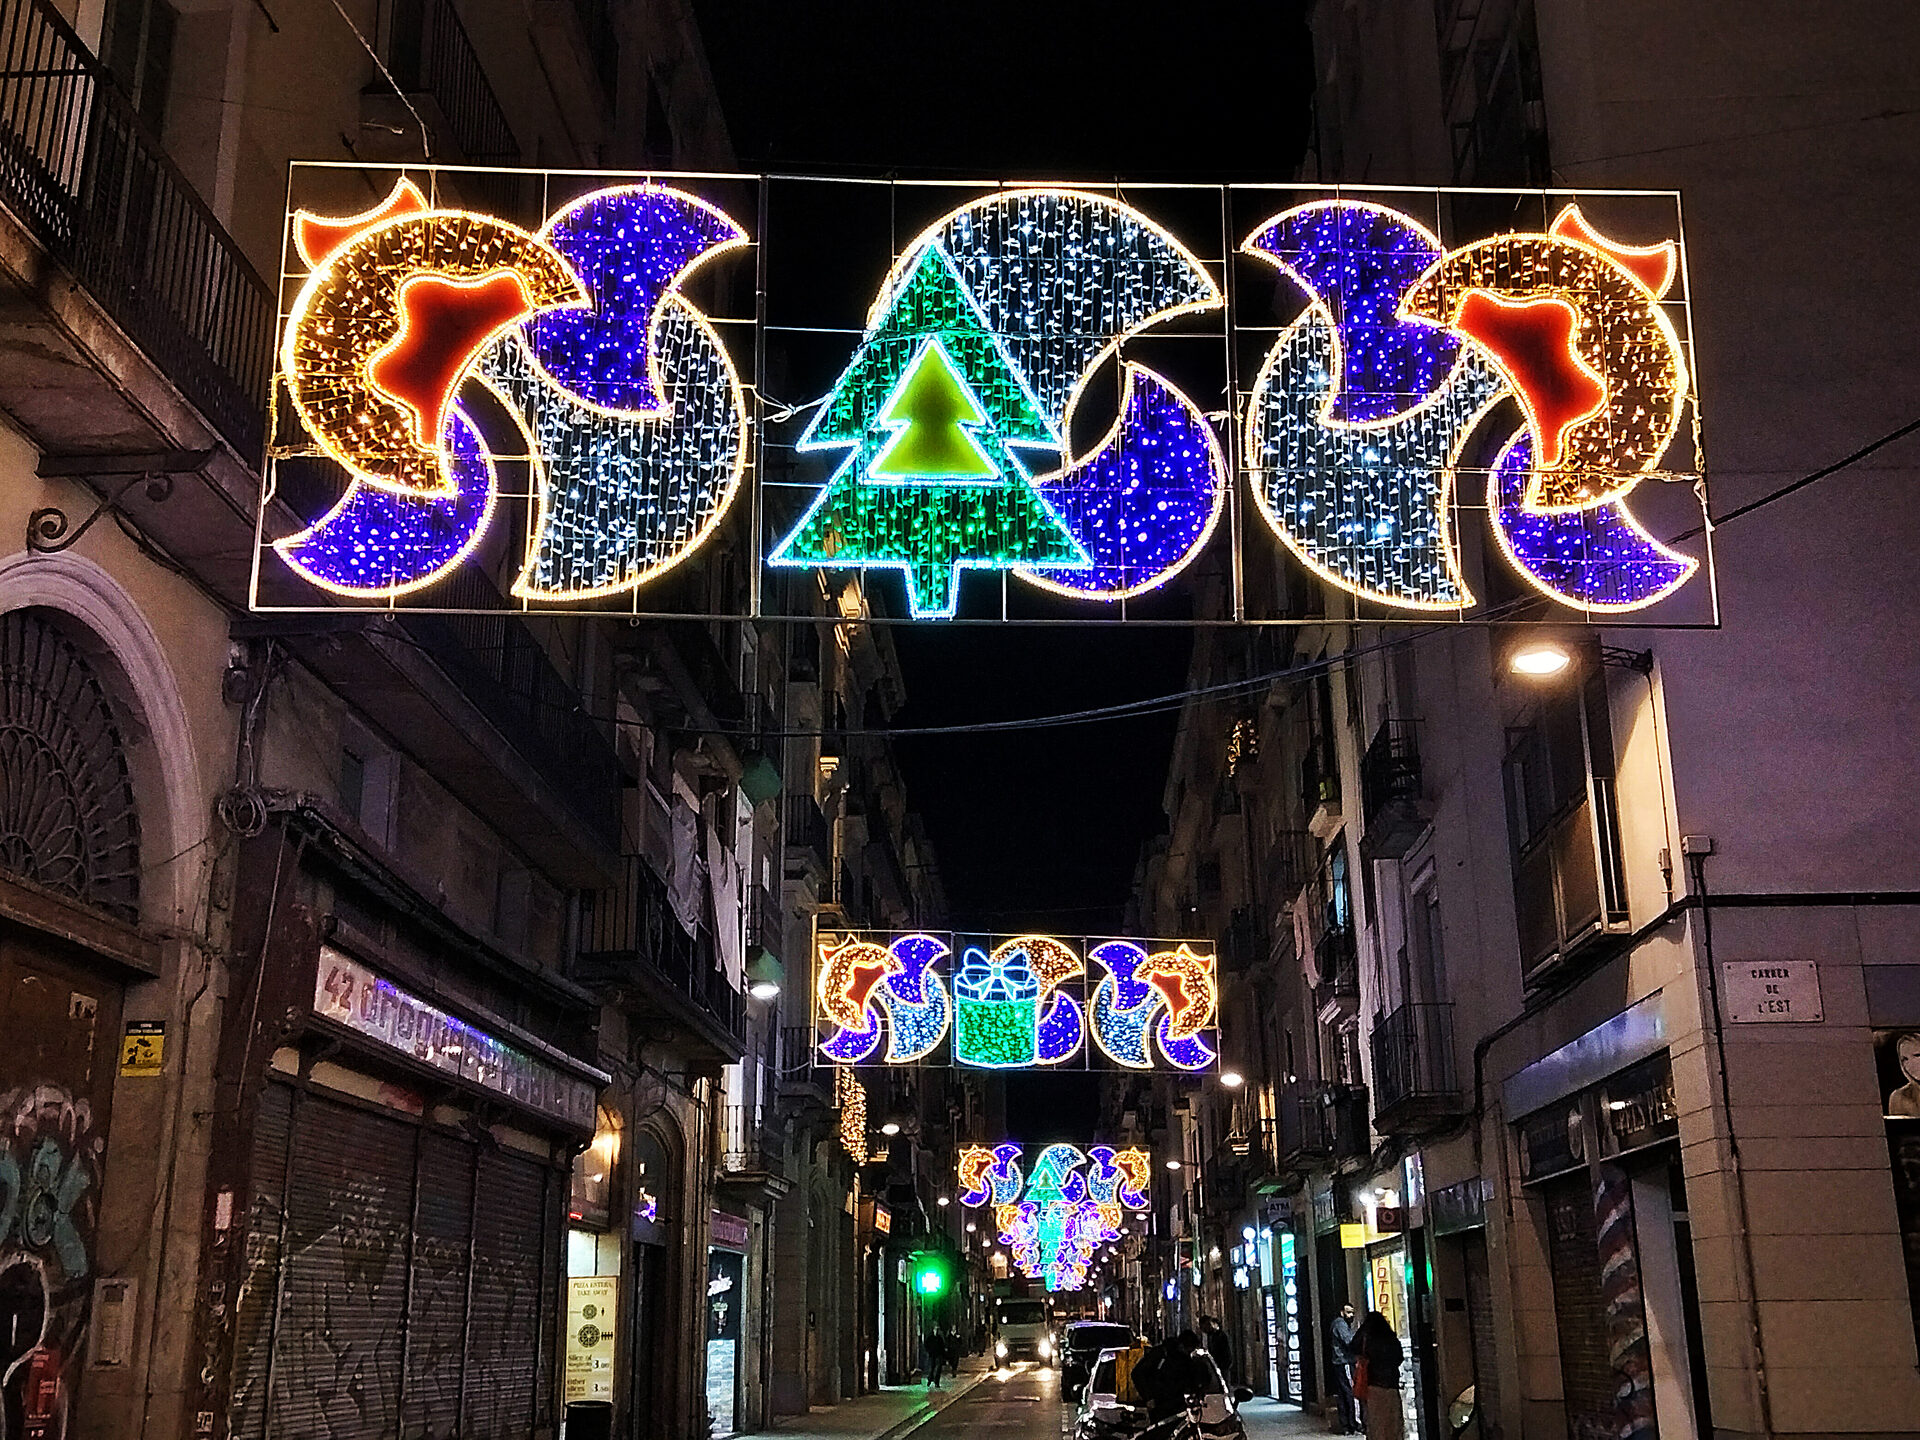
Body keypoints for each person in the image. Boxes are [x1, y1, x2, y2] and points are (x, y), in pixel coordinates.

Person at [1353, 1311, 1405, 1440]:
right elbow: (1399, 1358)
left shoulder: (1368, 1339)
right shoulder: (1391, 1338)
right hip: (1392, 1385)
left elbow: (1353, 1347)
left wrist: (1363, 1329)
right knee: (1393, 1423)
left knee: (1376, 1423)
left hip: (1373, 1385)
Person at [1328, 1303, 1362, 1433]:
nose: (1351, 1315)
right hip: (1345, 1361)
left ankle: (1346, 1425)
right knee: (1350, 1392)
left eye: (1352, 1312)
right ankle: (1353, 1423)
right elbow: (1349, 1341)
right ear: (1342, 1312)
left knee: (1343, 1393)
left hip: (1339, 1362)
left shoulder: (1337, 1324)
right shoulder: (1340, 1325)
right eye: (1348, 1312)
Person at [1199, 1315, 1233, 1382]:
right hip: (1217, 1363)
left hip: (1222, 1363)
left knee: (1223, 1381)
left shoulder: (1219, 1335)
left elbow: (1222, 1351)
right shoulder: (1210, 1335)